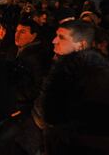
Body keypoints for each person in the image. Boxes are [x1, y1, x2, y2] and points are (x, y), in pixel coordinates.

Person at [34, 20, 109, 155]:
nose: (54, 41)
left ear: (81, 45)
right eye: (56, 35)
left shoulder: (92, 79)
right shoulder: (60, 66)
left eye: (61, 37)